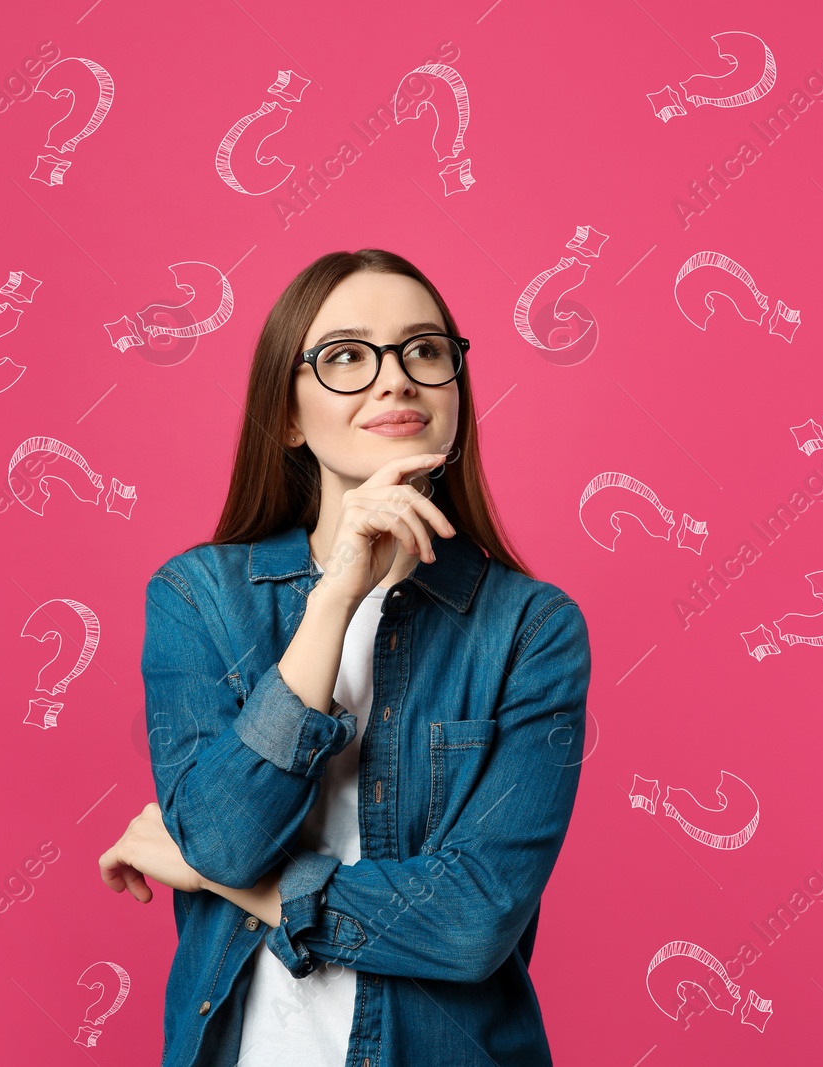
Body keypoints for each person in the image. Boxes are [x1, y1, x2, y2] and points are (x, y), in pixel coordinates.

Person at [99, 248, 592, 1066]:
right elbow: (222, 835)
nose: (395, 379)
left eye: (424, 350)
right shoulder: (198, 597)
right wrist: (335, 594)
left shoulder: (530, 628)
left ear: (455, 395)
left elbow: (473, 923)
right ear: (289, 414)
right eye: (346, 356)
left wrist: (237, 886)